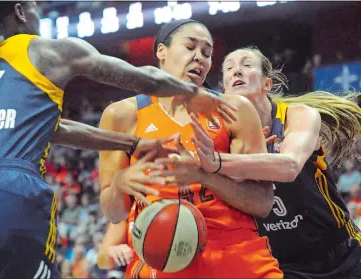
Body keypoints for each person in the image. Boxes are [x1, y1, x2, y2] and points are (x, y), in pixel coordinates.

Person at [0, 2, 234, 279]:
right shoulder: (44, 50)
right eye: (36, 4)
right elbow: (146, 79)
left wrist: (129, 144)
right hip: (9, 189)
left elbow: (54, 129)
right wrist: (193, 92)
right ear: (21, 12)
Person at [99, 19, 283, 279]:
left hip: (236, 254)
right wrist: (120, 184)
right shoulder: (121, 115)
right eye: (190, 47)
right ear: (161, 51)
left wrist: (204, 175)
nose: (200, 58)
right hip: (162, 259)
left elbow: (262, 203)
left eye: (207, 53)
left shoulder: (236, 110)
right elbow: (113, 212)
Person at [188, 46, 361, 278]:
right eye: (229, 69)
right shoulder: (222, 135)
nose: (236, 72)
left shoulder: (298, 115)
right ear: (224, 91)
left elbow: (290, 166)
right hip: (282, 264)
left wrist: (218, 162)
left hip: (340, 254)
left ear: (267, 84)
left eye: (246, 65)